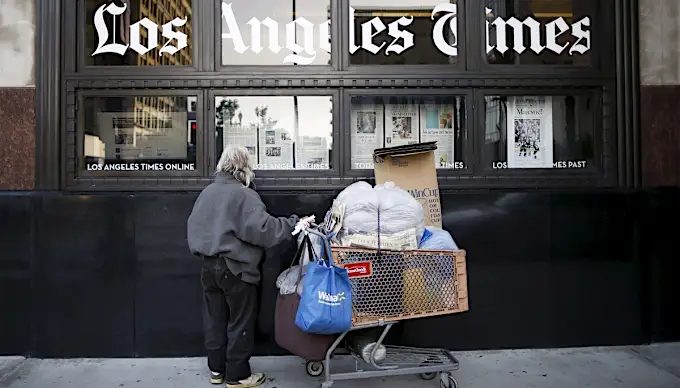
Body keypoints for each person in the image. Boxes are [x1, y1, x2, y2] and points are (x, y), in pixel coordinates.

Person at [187, 145, 304, 387]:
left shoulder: (207, 193)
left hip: (208, 268)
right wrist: (293, 224)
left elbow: (193, 229)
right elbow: (264, 230)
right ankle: (238, 376)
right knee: (240, 322)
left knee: (215, 320)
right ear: (244, 167)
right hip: (236, 269)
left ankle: (217, 370)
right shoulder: (243, 195)